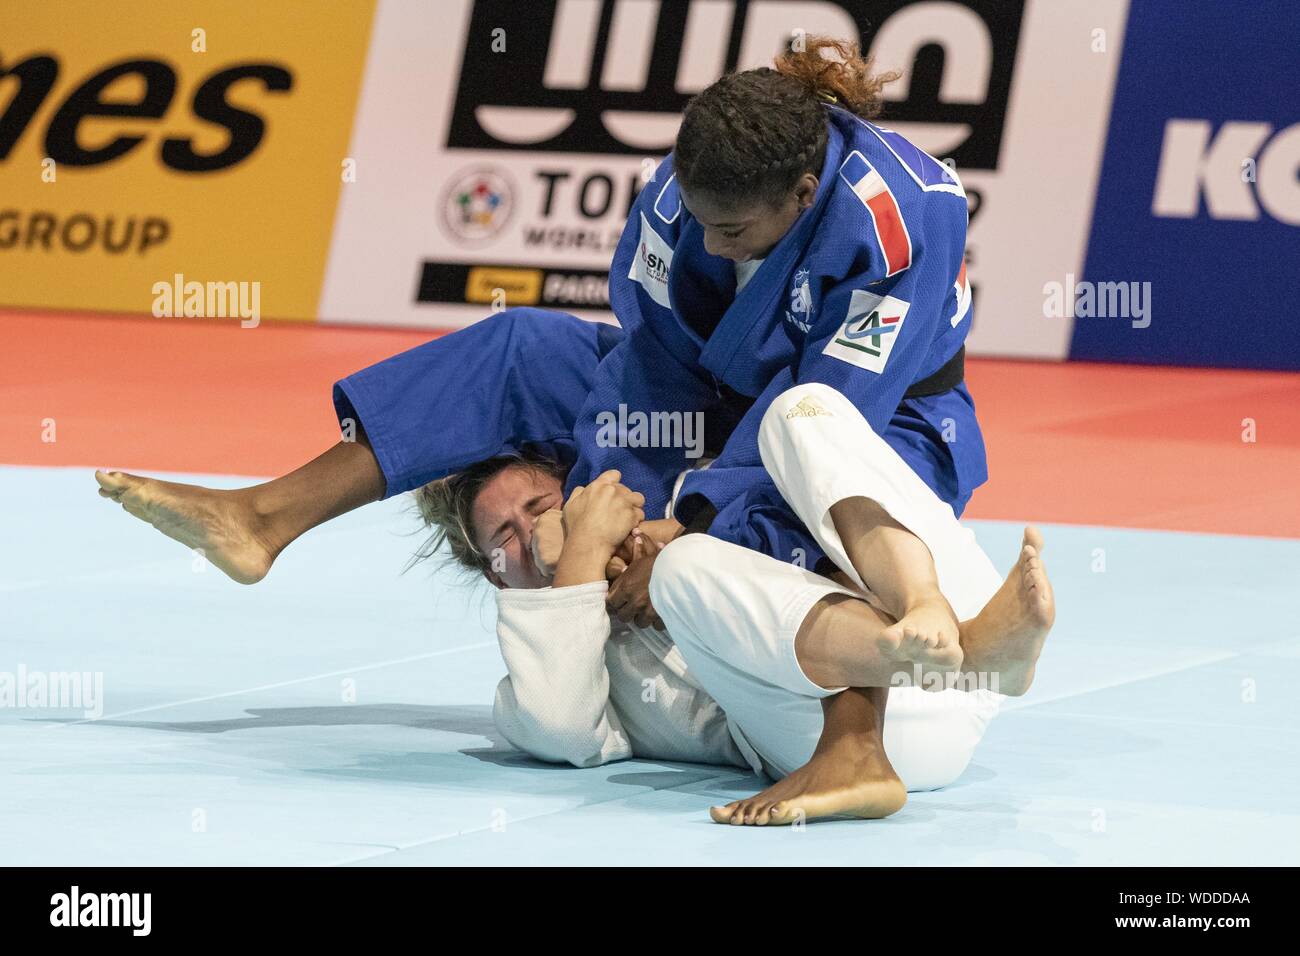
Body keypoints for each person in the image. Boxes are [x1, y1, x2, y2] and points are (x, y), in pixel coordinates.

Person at [415, 381, 1053, 825]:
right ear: (495, 577)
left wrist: (689, 533)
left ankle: (939, 617)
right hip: (889, 741)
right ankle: (971, 654)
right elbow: (558, 727)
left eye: (540, 509)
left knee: (801, 408)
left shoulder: (674, 519)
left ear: (581, 493)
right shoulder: (531, 673)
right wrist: (582, 553)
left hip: (940, 640)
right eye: (503, 538)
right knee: (683, 573)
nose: (531, 536)